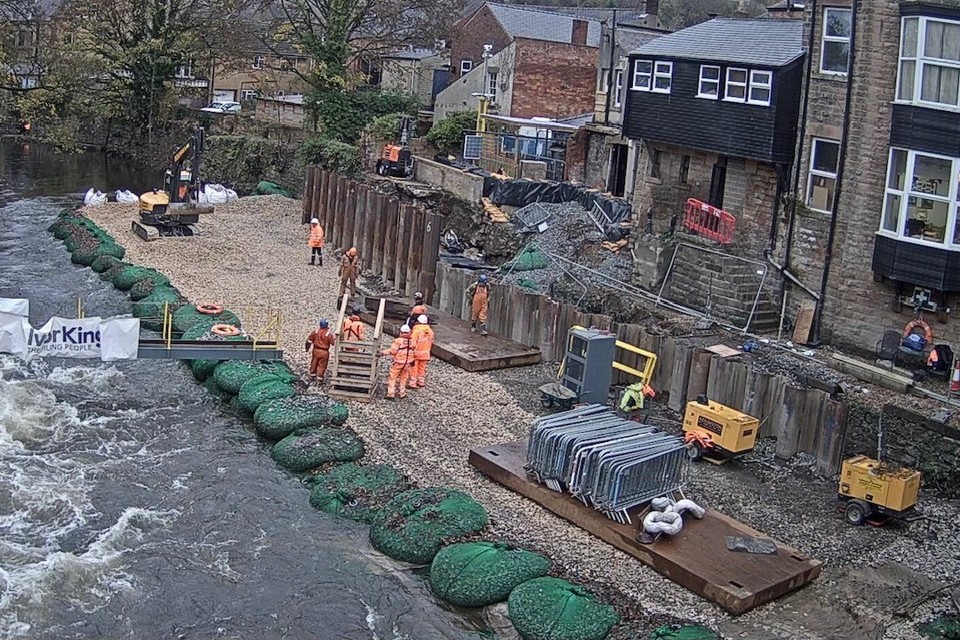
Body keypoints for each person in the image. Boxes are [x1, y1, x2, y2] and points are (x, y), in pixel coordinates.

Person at [382, 324, 416, 399]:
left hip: (398, 362)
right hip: (408, 363)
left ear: (401, 332)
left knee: (392, 377)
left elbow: (392, 351)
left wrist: (382, 353)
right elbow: (415, 352)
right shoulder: (412, 341)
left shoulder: (398, 341)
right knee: (404, 378)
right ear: (409, 332)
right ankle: (402, 393)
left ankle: (391, 393)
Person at [409, 314, 435, 389]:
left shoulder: (416, 331)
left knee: (414, 368)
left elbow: (413, 342)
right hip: (426, 353)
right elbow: (431, 341)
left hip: (416, 353)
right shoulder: (430, 331)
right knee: (422, 368)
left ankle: (413, 383)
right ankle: (421, 381)